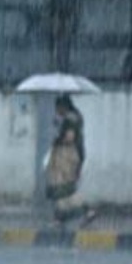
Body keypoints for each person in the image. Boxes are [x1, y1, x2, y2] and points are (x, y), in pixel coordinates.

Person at [46, 95, 96, 227]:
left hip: (66, 155)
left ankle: (87, 210)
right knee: (61, 188)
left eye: (57, 108)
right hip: (72, 154)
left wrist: (57, 140)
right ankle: (60, 218)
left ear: (63, 106)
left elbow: (69, 137)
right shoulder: (75, 116)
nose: (57, 111)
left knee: (64, 188)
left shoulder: (70, 119)